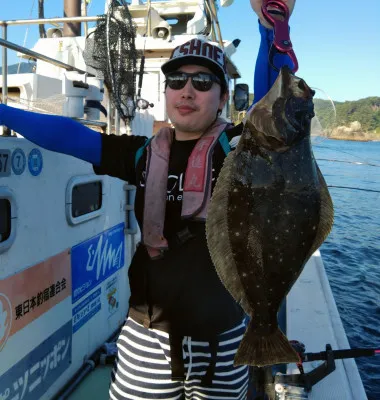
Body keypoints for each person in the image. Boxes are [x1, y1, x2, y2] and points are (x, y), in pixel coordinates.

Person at [0, 1, 295, 398]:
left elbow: (274, 103)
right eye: (177, 81)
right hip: (147, 335)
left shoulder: (242, 148)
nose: (187, 90)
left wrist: (269, 26)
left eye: (203, 82)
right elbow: (70, 137)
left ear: (223, 97)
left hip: (223, 338)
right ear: (167, 92)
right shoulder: (141, 154)